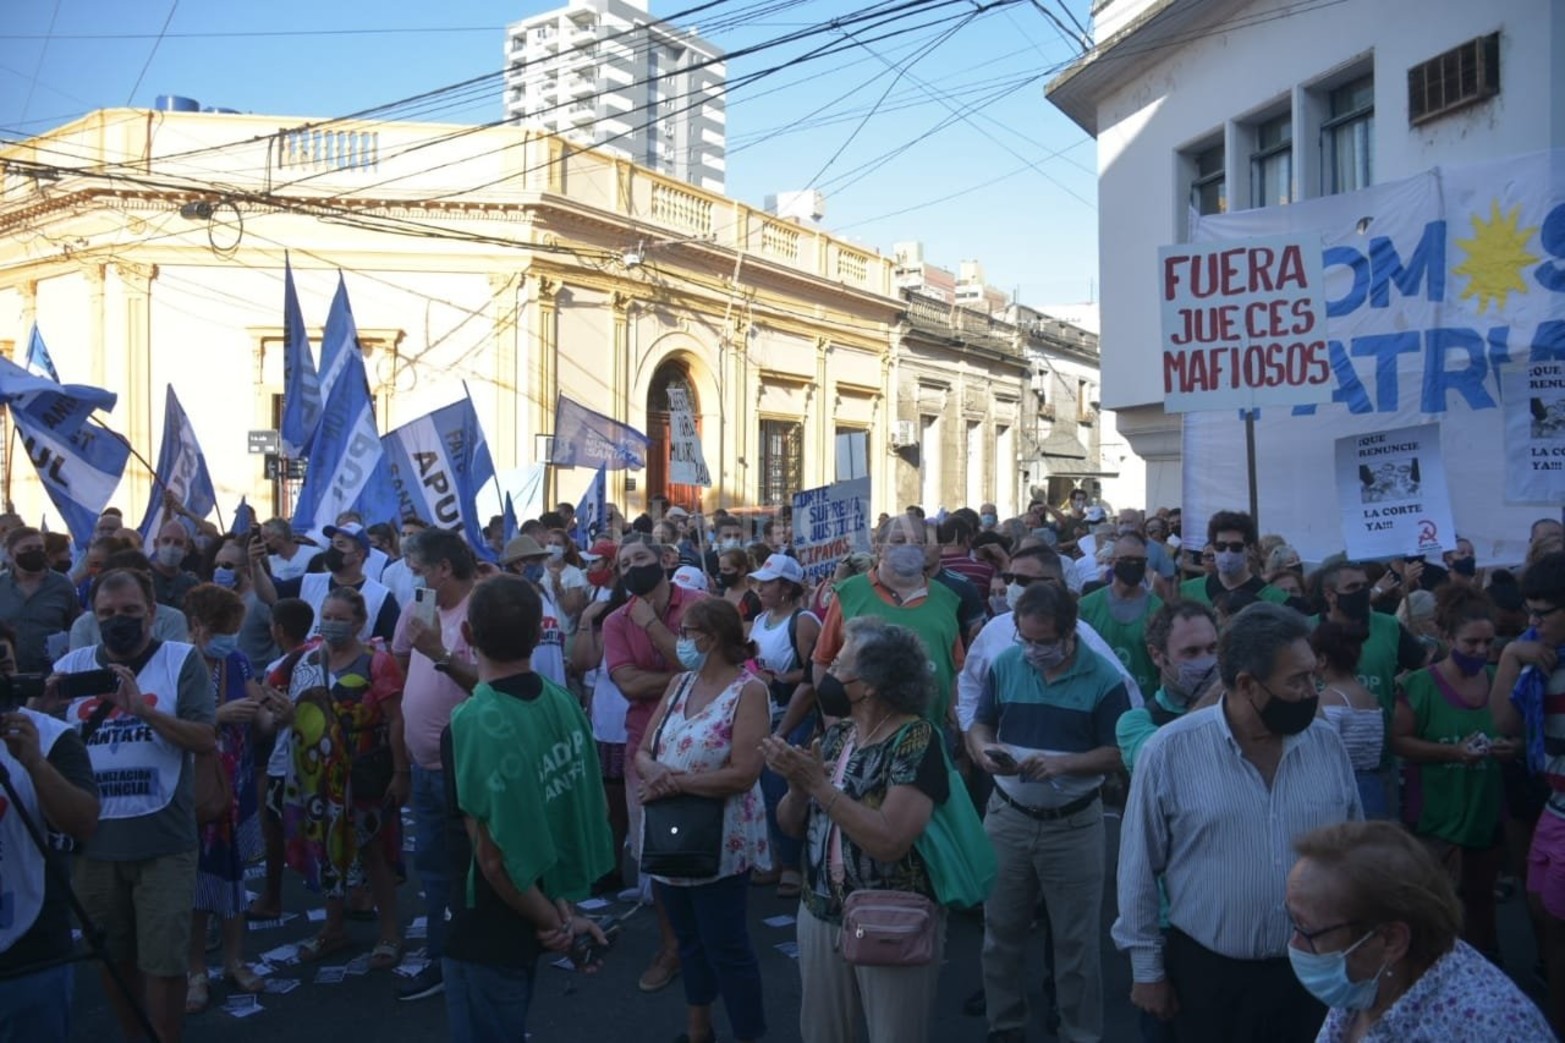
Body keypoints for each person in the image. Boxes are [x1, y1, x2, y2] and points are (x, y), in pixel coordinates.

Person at [1114, 602, 1362, 1043]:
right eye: (1298, 680)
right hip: (1207, 979)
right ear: (1248, 685)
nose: (1313, 691)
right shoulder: (1169, 751)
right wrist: (1147, 971)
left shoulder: (1326, 745)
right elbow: (1137, 870)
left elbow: (1354, 853)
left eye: (1314, 675)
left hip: (1312, 976)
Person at [441, 574, 615, 1043]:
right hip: (542, 901)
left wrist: (554, 921)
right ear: (541, 634)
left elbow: (495, 859)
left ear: (468, 635)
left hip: (486, 925)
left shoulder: (470, 723)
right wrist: (561, 915)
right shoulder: (562, 702)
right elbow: (550, 815)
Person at [764, 617, 950, 1043]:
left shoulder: (916, 739)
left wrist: (818, 786)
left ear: (869, 685)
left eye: (837, 665)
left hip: (890, 918)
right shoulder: (839, 735)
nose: (825, 672)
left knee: (893, 1033)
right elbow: (791, 826)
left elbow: (889, 840)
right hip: (820, 913)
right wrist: (797, 787)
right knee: (822, 1033)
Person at [52, 568, 216, 1043]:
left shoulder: (180, 660)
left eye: (129, 611)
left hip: (162, 837)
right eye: (106, 613)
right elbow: (50, 740)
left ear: (152, 612)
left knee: (164, 960)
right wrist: (43, 706)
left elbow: (205, 736)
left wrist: (144, 712)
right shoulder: (74, 664)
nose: (117, 620)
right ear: (92, 615)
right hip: (94, 840)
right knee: (115, 955)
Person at [969, 582, 1129, 1043]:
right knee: (1000, 932)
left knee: (1075, 944)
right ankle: (1005, 1025)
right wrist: (983, 749)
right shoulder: (1005, 664)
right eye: (1027, 640)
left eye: (1045, 641)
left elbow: (1117, 752)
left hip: (1074, 825)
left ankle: (1080, 1032)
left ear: (1070, 633)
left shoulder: (1103, 679)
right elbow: (981, 723)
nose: (1034, 650)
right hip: (1008, 816)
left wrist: (1063, 764)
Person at [635, 598, 771, 1043]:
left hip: (721, 841)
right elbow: (644, 749)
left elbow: (744, 772)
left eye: (686, 631)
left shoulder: (749, 691)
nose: (680, 640)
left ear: (710, 639)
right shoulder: (678, 684)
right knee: (689, 943)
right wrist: (653, 770)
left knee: (727, 947)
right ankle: (699, 1031)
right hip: (670, 836)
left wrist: (676, 782)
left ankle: (750, 1034)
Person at [1287, 820, 1552, 1042]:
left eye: (1307, 930)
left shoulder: (1489, 1029)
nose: (1294, 943)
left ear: (1391, 940)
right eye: (1293, 922)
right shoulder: (1367, 980)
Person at [603, 532, 707, 992]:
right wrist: (682, 676)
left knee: (706, 842)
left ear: (665, 560)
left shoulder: (700, 605)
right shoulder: (614, 621)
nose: (631, 569)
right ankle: (672, 947)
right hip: (645, 744)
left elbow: (706, 670)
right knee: (659, 853)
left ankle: (707, 940)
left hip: (704, 739)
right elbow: (628, 684)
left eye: (639, 558)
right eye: (623, 565)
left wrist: (652, 627)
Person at [283, 587, 407, 968]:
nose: (332, 624)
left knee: (374, 850)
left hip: (365, 767)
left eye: (341, 618)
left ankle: (389, 934)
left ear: (359, 623)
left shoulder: (377, 662)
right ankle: (333, 928)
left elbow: (396, 718)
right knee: (327, 849)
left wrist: (401, 772)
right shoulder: (305, 660)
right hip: (318, 772)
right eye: (328, 616)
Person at [1393, 584, 1515, 960]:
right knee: (1436, 909)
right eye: (1471, 643)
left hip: (1486, 813)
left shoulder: (1500, 681)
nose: (1481, 651)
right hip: (1435, 818)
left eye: (1488, 642)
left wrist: (1514, 749)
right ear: (1446, 637)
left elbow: (1520, 735)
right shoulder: (1419, 686)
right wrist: (1452, 752)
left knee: (1481, 900)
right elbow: (1399, 742)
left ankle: (1487, 964)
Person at [391, 528, 480, 1002]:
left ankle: (453, 958)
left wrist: (441, 657)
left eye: (419, 571)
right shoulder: (419, 609)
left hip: (463, 767)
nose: (413, 581)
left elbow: (491, 687)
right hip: (423, 766)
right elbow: (403, 664)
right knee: (434, 866)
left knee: (462, 866)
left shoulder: (479, 613)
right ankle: (449, 951)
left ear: (443, 568)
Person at [0, 621, 100, 1042]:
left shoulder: (51, 737)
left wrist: (36, 765)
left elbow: (83, 823)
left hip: (31, 950)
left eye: (4, 664)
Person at [181, 584, 267, 1011]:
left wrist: (278, 711)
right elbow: (168, 722)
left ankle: (235, 960)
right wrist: (218, 716)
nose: (232, 636)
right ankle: (195, 970)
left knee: (234, 881)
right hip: (195, 786)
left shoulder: (236, 659)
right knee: (197, 885)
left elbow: (262, 713)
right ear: (197, 626)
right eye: (224, 628)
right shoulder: (175, 662)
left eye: (235, 628)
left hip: (235, 783)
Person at [1491, 549, 1565, 1033]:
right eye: (1530, 613)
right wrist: (1510, 655)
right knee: (1542, 915)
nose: (1534, 624)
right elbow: (1503, 722)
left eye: (1544, 614)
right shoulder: (1537, 658)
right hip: (1554, 811)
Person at [957, 546, 1143, 735]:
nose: (1012, 587)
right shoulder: (994, 630)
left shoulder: (1082, 635)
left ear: (1053, 583)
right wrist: (973, 734)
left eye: (1021, 580)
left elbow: (1129, 699)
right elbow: (970, 684)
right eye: (1008, 579)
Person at [813, 514, 965, 731]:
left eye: (918, 542)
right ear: (878, 546)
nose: (909, 548)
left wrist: (953, 720)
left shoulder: (947, 598)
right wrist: (832, 724)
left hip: (931, 731)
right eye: (899, 541)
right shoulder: (849, 593)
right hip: (859, 735)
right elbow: (822, 661)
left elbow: (955, 668)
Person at [1313, 559, 1428, 817]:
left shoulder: (1388, 626)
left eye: (1365, 586)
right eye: (1352, 587)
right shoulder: (1306, 628)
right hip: (1319, 772)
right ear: (1330, 595)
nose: (1362, 593)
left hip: (1378, 766)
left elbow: (1425, 671)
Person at [755, 553, 822, 899]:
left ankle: (793, 865)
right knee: (766, 792)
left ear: (786, 588)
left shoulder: (804, 621)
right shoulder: (759, 620)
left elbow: (815, 672)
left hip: (797, 717)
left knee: (784, 788)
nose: (760, 588)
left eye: (767, 582)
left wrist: (777, 678)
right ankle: (776, 859)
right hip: (767, 716)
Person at [246, 597, 315, 922]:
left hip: (284, 761)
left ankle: (272, 895)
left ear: (279, 630)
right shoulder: (322, 657)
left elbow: (265, 722)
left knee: (273, 828)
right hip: (317, 758)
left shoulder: (279, 669)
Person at [1115, 599, 1219, 774]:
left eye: (1212, 649)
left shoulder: (1237, 706)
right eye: (1191, 652)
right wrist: (1215, 693)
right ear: (1157, 656)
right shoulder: (1136, 722)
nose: (1206, 661)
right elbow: (1158, 766)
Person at [253, 522, 400, 644]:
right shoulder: (309, 582)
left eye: (341, 544)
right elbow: (269, 595)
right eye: (332, 543)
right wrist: (255, 564)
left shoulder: (381, 596)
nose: (333, 549)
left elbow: (391, 643)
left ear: (359, 554)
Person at [1311, 621, 1388, 819]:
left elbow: (1322, 754)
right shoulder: (1369, 697)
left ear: (1322, 659)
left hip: (1340, 789)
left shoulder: (1328, 698)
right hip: (1373, 788)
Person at [1078, 532, 1163, 698]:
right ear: (1112, 561)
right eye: (1127, 560)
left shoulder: (1159, 610)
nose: (1133, 565)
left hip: (1144, 701)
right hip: (1097, 698)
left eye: (1139, 561)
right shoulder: (1086, 606)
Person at [68, 550, 191, 649]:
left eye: (130, 609)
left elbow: (172, 668)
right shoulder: (84, 625)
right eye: (107, 613)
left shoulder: (172, 619)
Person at [0, 525, 80, 673]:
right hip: (9, 674)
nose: (34, 553)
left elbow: (74, 627)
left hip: (51, 673)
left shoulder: (62, 585)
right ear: (11, 554)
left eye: (39, 548)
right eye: (27, 549)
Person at [1178, 511, 1289, 607]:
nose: (1227, 552)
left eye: (1236, 547)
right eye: (1220, 546)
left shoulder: (1276, 599)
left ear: (1250, 549)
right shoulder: (1185, 592)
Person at [499, 535, 569, 688]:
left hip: (555, 683)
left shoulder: (545, 593)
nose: (541, 566)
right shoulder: (506, 600)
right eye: (536, 561)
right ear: (519, 564)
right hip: (527, 685)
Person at [208, 534, 277, 674]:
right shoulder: (216, 601)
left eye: (227, 565)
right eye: (216, 565)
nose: (220, 570)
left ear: (245, 570)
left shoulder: (259, 601)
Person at [149, 521, 202, 610]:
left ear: (187, 549)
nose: (171, 546)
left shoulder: (193, 586)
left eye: (178, 543)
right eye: (166, 541)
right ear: (156, 544)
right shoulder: (141, 578)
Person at [262, 517, 321, 581]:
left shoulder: (314, 553)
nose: (264, 542)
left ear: (280, 536)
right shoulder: (269, 561)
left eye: (265, 538)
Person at [716, 547, 762, 624]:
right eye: (720, 569)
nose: (722, 573)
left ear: (742, 570)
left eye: (726, 569)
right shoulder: (720, 593)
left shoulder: (751, 600)